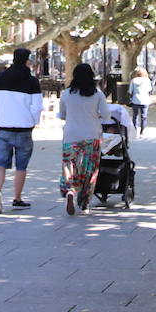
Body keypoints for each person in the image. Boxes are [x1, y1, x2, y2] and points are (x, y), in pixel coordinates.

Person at [0, 47, 43, 213]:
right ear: (27, 61)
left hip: (3, 126)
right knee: (21, 165)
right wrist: (33, 122)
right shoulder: (32, 81)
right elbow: (37, 107)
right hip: (24, 128)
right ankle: (17, 198)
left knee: (0, 162)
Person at [58, 63, 109, 215]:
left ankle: (70, 190)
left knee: (69, 166)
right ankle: (85, 201)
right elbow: (106, 115)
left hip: (71, 135)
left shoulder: (66, 94)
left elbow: (62, 115)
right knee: (89, 170)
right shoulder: (98, 94)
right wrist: (95, 114)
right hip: (92, 135)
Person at [128, 67, 154, 137]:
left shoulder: (133, 80)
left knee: (135, 116)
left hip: (135, 100)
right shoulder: (147, 80)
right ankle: (142, 132)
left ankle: (135, 131)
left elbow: (130, 91)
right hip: (145, 100)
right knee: (144, 116)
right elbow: (149, 90)